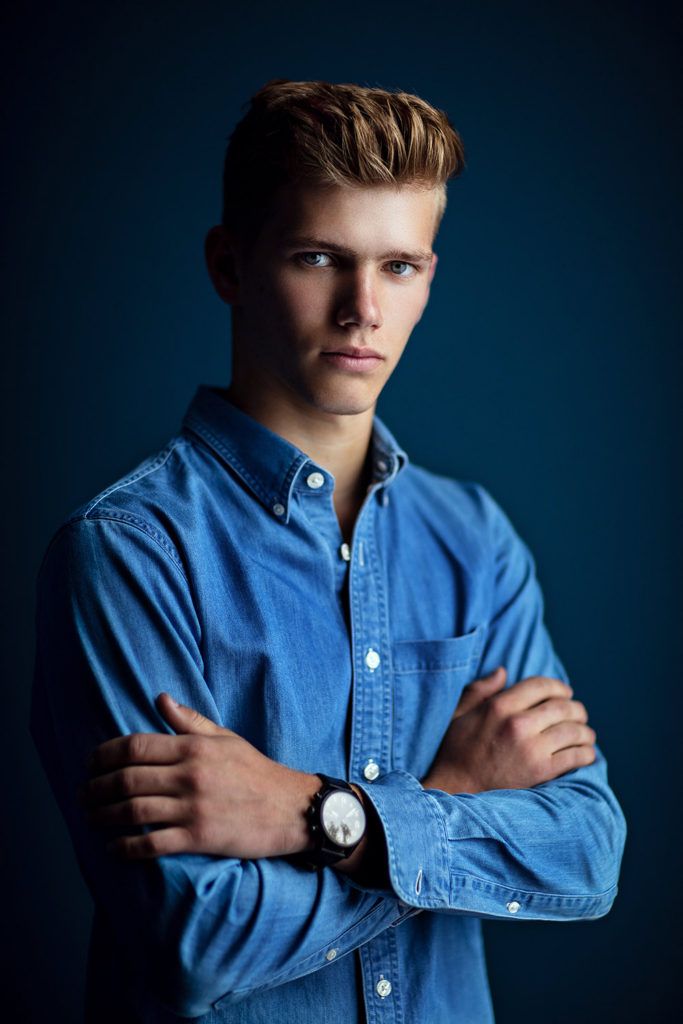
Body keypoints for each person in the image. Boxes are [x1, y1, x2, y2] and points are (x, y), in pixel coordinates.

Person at [30, 78, 626, 1023]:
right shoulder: (127, 554)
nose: (362, 310)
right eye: (319, 258)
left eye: (399, 266)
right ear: (229, 264)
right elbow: (199, 940)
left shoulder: (476, 541)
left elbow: (584, 854)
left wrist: (312, 813)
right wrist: (445, 798)